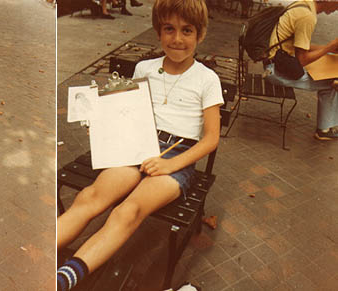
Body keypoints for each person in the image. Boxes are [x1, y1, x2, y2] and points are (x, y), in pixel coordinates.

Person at [56, 0, 224, 290]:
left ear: (200, 34)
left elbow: (211, 138)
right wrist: (102, 128)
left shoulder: (207, 79)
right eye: (169, 29)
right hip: (136, 144)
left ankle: (63, 279)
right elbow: (127, 114)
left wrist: (170, 164)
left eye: (187, 31)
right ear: (158, 31)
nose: (177, 39)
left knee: (128, 211)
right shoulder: (144, 68)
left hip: (178, 157)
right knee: (90, 197)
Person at [262, 0, 338, 140]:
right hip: (276, 70)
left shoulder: (303, 4)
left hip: (277, 62)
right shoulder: (307, 16)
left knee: (328, 68)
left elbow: (302, 46)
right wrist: (329, 47)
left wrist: (330, 49)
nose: (337, 8)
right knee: (332, 82)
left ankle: (327, 126)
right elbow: (302, 59)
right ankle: (325, 129)